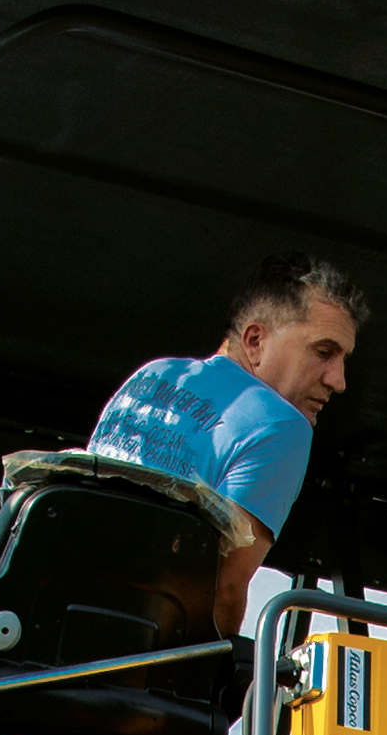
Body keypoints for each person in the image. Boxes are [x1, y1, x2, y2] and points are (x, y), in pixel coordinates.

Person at [84, 250, 364, 636]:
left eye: (343, 359)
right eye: (323, 352)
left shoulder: (152, 375)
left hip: (45, 633)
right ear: (254, 340)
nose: (338, 380)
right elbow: (223, 593)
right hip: (132, 658)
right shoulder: (284, 426)